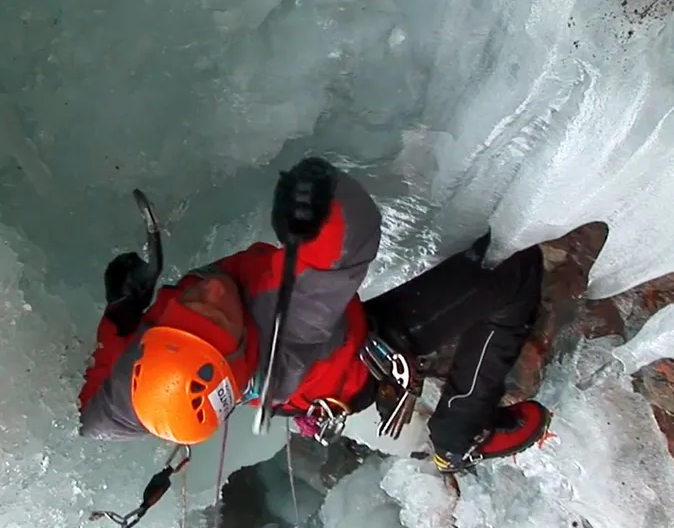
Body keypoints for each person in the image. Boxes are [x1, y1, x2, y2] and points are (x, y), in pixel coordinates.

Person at [77, 156, 549, 474]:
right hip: (362, 360)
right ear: (240, 352)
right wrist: (321, 205)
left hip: (306, 387)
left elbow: (97, 418)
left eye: (181, 314)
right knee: (514, 272)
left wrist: (122, 311)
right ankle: (460, 432)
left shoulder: (153, 373)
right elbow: (344, 249)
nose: (208, 293)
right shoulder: (285, 320)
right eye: (218, 320)